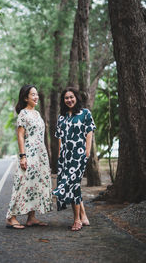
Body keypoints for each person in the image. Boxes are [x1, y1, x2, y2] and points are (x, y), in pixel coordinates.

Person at [6, 84, 53, 229]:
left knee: (37, 183)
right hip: (30, 152)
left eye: (37, 94)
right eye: (33, 94)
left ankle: (31, 218)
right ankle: (11, 217)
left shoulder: (37, 114)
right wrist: (23, 156)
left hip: (41, 153)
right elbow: (20, 136)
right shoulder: (23, 114)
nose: (36, 97)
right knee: (23, 182)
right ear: (26, 98)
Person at [53, 87, 96, 231]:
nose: (69, 100)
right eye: (66, 98)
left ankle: (77, 219)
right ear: (63, 101)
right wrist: (59, 156)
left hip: (79, 155)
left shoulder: (85, 113)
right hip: (65, 157)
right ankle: (83, 216)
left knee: (73, 184)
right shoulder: (61, 117)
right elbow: (59, 138)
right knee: (74, 184)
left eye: (71, 97)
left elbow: (89, 132)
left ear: (76, 98)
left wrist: (87, 152)